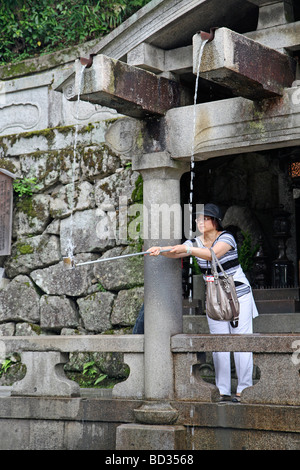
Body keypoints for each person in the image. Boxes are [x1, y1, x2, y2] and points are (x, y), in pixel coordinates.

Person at [147, 203, 258, 402]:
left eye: (204, 218)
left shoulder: (227, 238)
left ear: (215, 222)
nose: (200, 222)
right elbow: (176, 252)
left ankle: (244, 388)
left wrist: (188, 248)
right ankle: (222, 389)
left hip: (238, 295)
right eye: (198, 219)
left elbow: (211, 254)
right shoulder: (195, 242)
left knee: (242, 341)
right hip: (214, 299)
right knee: (219, 342)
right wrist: (161, 250)